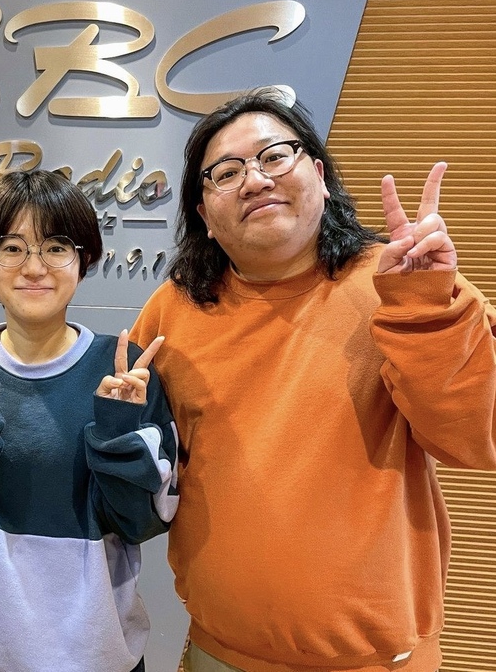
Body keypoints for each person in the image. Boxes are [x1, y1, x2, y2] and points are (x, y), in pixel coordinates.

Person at [130, 88, 496, 672]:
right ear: (204, 217)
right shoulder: (173, 309)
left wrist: (425, 308)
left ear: (320, 177)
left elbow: (473, 440)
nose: (254, 181)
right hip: (218, 650)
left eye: (275, 156)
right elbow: (145, 461)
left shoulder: (401, 282)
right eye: (226, 172)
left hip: (375, 660)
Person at [0, 169, 178, 672]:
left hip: (97, 652)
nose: (34, 267)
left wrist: (116, 430)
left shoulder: (125, 374)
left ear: (84, 260)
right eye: (12, 248)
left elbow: (145, 521)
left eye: (56, 247)